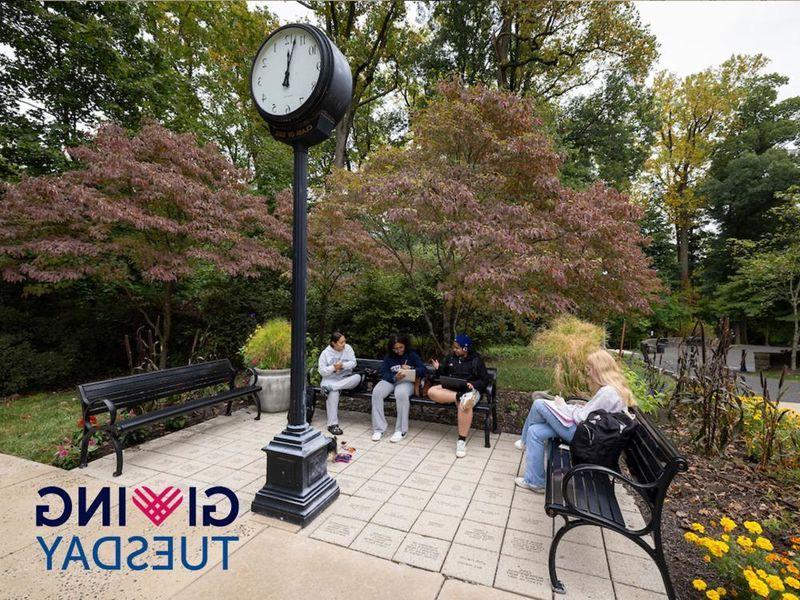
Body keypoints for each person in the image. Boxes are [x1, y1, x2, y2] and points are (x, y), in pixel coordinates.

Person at [515, 349, 636, 493]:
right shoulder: (612, 389)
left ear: (599, 369)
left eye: (589, 369)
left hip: (585, 438)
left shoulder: (608, 392)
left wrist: (563, 407)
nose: (588, 373)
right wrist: (573, 408)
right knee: (535, 431)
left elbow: (581, 418)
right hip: (591, 436)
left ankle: (524, 442)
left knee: (539, 404)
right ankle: (535, 482)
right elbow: (591, 415)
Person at [428, 334, 489, 458]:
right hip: (454, 389)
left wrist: (473, 384)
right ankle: (458, 396)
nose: (454, 350)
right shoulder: (450, 357)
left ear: (465, 348)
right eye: (454, 347)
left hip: (470, 391)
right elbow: (443, 374)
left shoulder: (476, 360)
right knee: (431, 391)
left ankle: (461, 441)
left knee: (465, 404)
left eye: (457, 348)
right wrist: (439, 368)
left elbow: (484, 380)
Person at [371, 334, 427, 442]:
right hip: (392, 381)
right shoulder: (389, 357)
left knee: (401, 393)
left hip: (406, 382)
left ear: (405, 345)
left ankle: (401, 430)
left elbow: (423, 370)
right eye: (395, 348)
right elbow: (383, 373)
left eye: (401, 347)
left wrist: (411, 368)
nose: (398, 350)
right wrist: (394, 377)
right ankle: (379, 429)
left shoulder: (411, 355)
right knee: (377, 392)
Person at [318, 332, 361, 436]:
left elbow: (353, 363)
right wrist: (333, 367)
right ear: (334, 343)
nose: (344, 344)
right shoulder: (325, 353)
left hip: (345, 379)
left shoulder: (348, 348)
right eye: (341, 342)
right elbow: (321, 371)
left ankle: (330, 388)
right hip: (330, 379)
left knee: (357, 377)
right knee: (333, 393)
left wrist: (342, 366)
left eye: (344, 341)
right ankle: (332, 425)